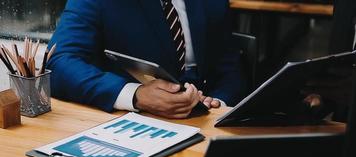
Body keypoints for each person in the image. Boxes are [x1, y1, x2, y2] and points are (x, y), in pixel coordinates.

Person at [47, 0, 246, 119]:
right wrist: (136, 95)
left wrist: (218, 103)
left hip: (207, 123)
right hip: (134, 125)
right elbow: (59, 63)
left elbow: (229, 67)